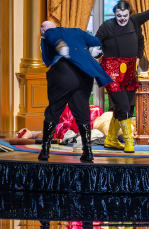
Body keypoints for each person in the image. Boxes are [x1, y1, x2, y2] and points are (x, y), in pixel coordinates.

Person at [95, 0, 149, 153]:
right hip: (111, 72)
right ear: (115, 14)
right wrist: (95, 52)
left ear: (129, 14)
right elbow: (95, 42)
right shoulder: (107, 26)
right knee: (123, 106)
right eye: (119, 16)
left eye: (125, 15)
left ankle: (111, 139)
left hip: (130, 70)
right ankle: (128, 142)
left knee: (125, 107)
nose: (122, 19)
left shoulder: (134, 21)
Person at [37, 20, 112, 162]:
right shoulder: (77, 31)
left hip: (63, 73)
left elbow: (51, 37)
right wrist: (96, 49)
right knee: (82, 112)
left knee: (54, 110)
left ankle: (45, 150)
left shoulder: (50, 31)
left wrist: (60, 46)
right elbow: (94, 40)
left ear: (43, 29)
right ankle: (87, 151)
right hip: (84, 75)